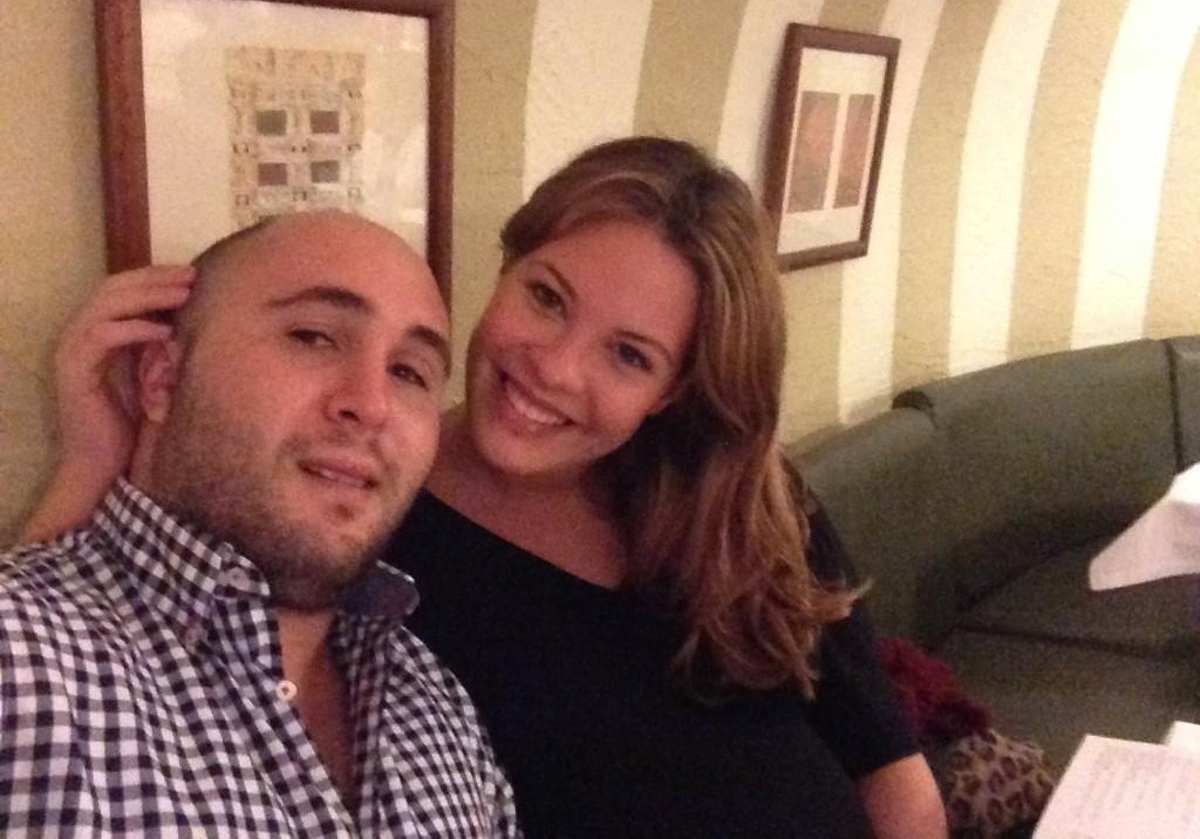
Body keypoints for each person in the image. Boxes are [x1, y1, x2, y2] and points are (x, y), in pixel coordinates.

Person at [22, 139, 946, 838]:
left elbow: (893, 776)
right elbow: (80, 650)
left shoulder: (742, 506)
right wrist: (94, 458)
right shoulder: (363, 509)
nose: (554, 368)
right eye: (547, 298)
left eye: (628, 356)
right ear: (505, 270)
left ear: (671, 392)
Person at [4, 212, 518, 836]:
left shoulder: (439, 712)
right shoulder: (22, 663)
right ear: (161, 377)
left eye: (409, 372)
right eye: (313, 337)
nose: (371, 404)